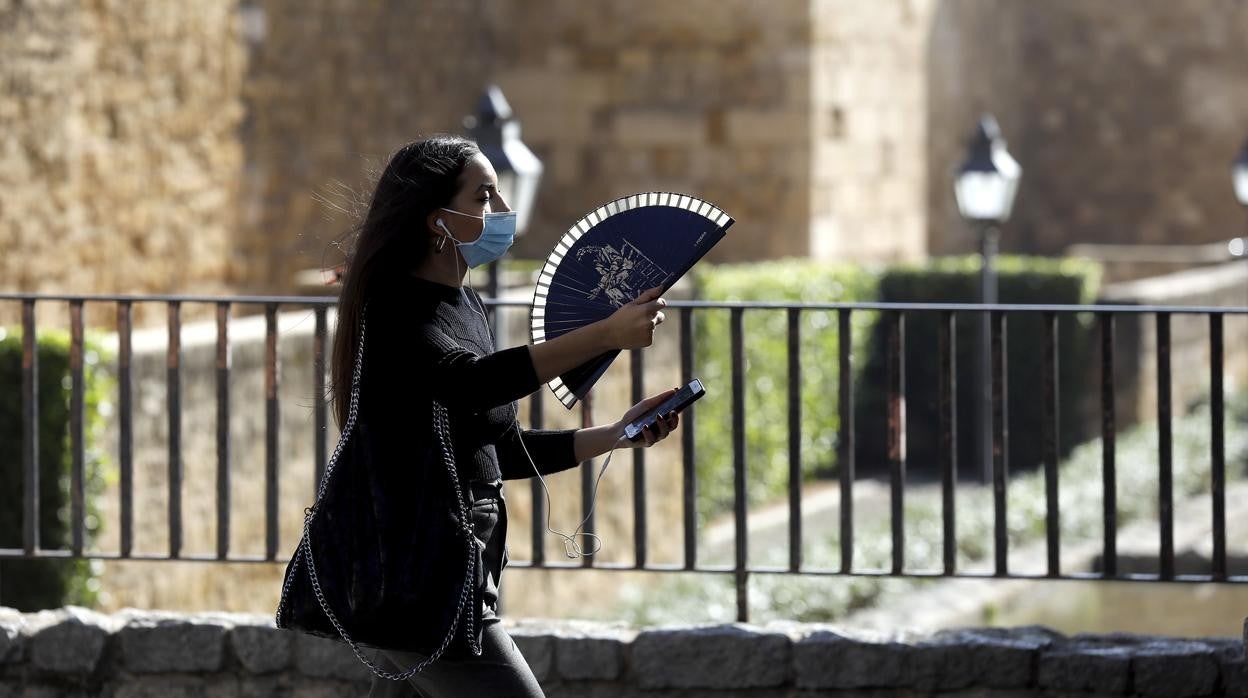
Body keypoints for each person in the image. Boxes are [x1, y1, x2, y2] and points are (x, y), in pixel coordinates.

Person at [327, 135, 679, 697]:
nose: (500, 213)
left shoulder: (466, 306)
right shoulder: (392, 308)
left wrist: (615, 435)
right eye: (484, 196)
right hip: (423, 584)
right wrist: (607, 333)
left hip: (456, 575)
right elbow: (471, 383)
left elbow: (497, 449)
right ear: (433, 218)